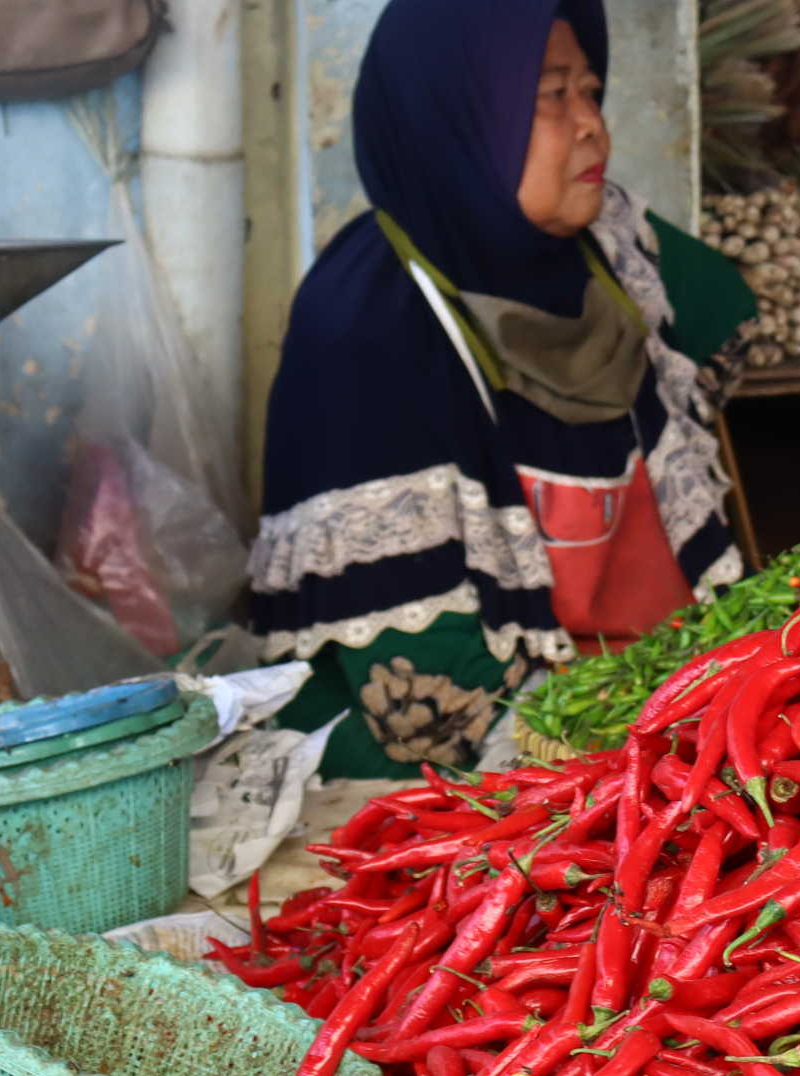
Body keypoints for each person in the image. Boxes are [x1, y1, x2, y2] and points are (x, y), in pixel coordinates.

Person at [256, 0, 755, 778]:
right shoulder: (366, 329)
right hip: (481, 771)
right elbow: (429, 715)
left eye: (591, 91)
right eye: (550, 95)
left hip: (656, 723)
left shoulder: (614, 259)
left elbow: (729, 314)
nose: (590, 124)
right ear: (450, 117)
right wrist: (661, 722)